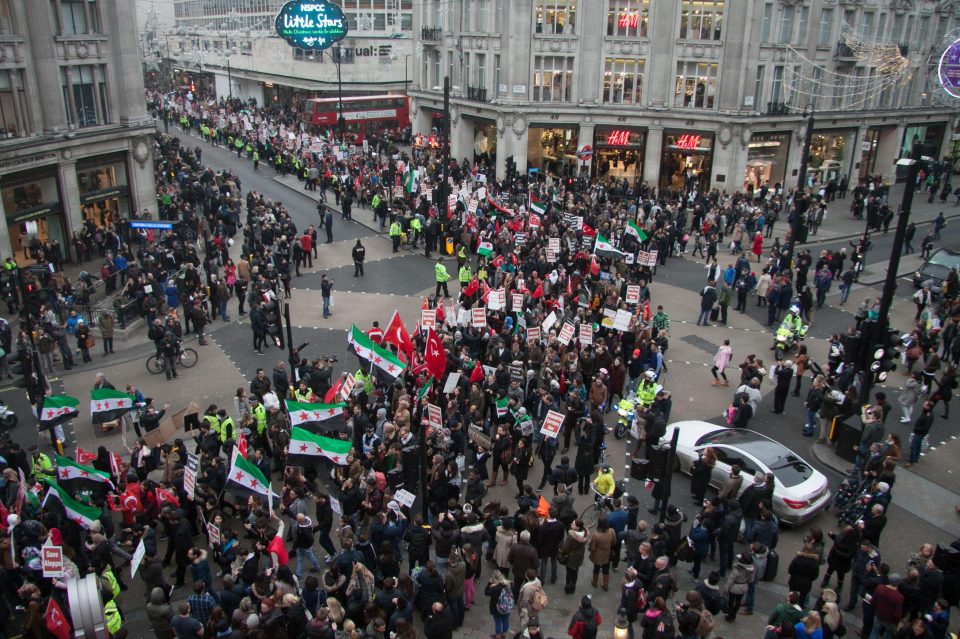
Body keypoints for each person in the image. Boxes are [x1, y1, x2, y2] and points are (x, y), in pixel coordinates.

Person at [905, 401, 934, 467]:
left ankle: (911, 461)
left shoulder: (928, 415)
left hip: (920, 433)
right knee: (917, 446)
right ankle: (915, 459)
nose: (923, 405)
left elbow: (926, 427)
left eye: (925, 404)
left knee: (914, 446)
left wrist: (917, 429)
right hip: (920, 432)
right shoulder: (926, 412)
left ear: (928, 407)